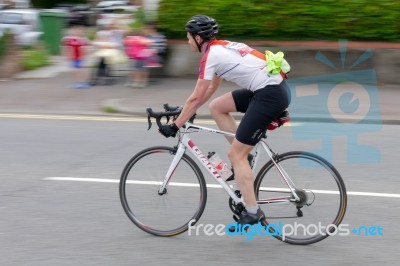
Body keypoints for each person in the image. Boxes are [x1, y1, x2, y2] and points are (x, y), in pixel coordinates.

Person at [158, 15, 291, 226]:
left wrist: (176, 125)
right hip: (271, 89)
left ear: (199, 38)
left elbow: (196, 96)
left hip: (270, 94)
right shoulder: (219, 49)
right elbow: (210, 89)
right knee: (217, 107)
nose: (187, 41)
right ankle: (243, 160)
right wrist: (187, 111)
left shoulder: (211, 55)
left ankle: (253, 211)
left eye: (189, 37)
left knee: (235, 154)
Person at [61, 25, 91, 89]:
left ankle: (83, 83)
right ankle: (77, 83)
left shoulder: (83, 39)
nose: (76, 32)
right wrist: (67, 55)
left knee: (80, 70)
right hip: (73, 58)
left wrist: (85, 55)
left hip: (80, 58)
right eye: (75, 31)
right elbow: (67, 48)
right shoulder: (69, 39)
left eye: (79, 31)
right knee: (75, 71)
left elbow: (86, 48)